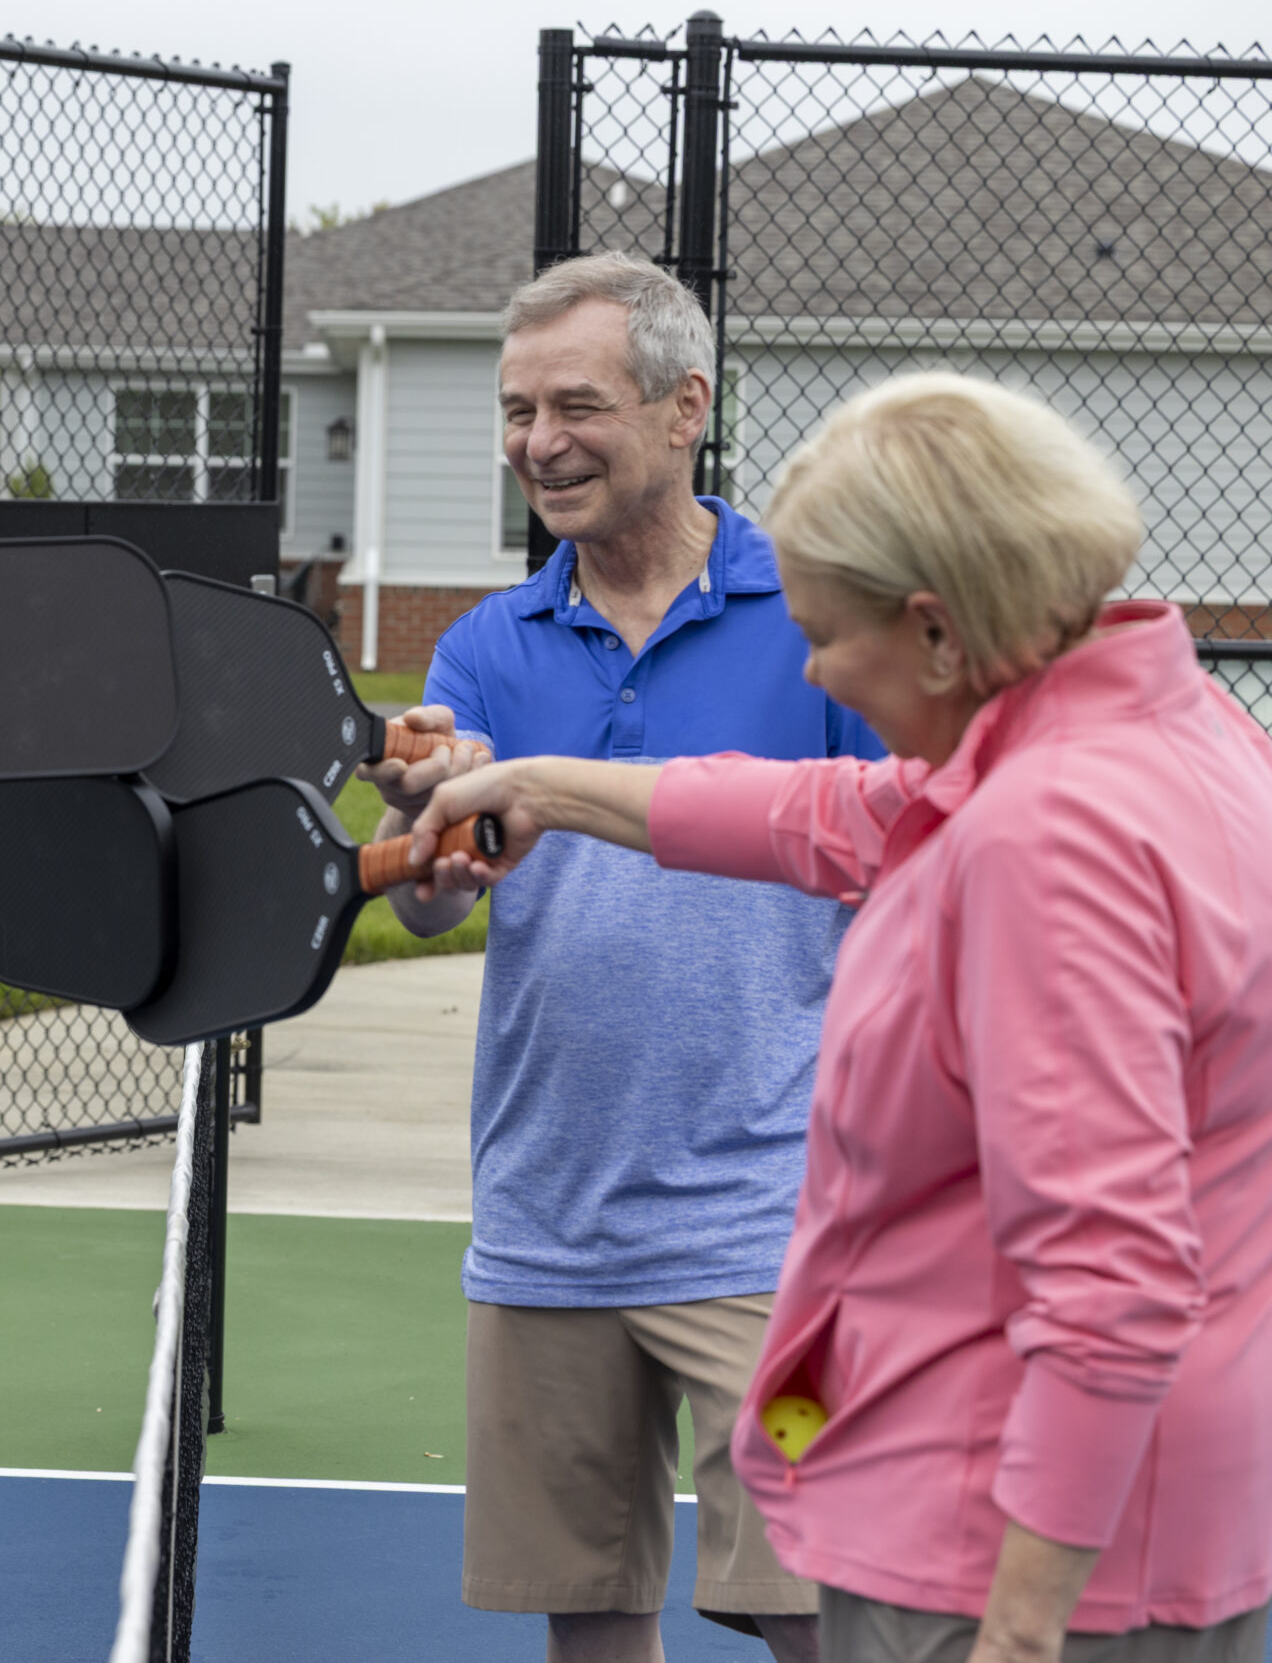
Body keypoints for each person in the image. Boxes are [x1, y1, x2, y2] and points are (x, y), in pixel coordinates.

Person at [409, 372, 1272, 1662]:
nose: (809, 668)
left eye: (823, 633)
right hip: (1140, 1509)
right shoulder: (1171, 726)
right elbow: (830, 810)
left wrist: (1021, 1634)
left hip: (1000, 1546)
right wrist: (548, 786)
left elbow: (1111, 1284)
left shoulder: (1045, 841)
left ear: (934, 631)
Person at [362, 252, 881, 1662]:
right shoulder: (484, 643)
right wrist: (429, 848)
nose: (538, 441)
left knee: (819, 1606)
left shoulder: (824, 618)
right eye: (519, 410)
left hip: (775, 1227)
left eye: (574, 403)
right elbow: (432, 908)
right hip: (546, 1222)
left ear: (681, 408)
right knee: (588, 1621)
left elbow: (907, 863)